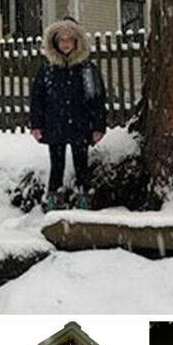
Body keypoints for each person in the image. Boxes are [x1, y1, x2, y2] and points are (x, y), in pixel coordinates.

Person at [29, 16, 106, 211]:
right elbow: (37, 99)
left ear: (77, 41)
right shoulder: (47, 69)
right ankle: (54, 197)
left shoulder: (87, 69)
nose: (65, 44)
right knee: (57, 164)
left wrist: (98, 126)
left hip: (81, 125)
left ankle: (84, 196)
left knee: (82, 164)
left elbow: (97, 98)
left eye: (69, 40)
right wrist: (36, 125)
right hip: (54, 125)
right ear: (55, 42)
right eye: (61, 40)